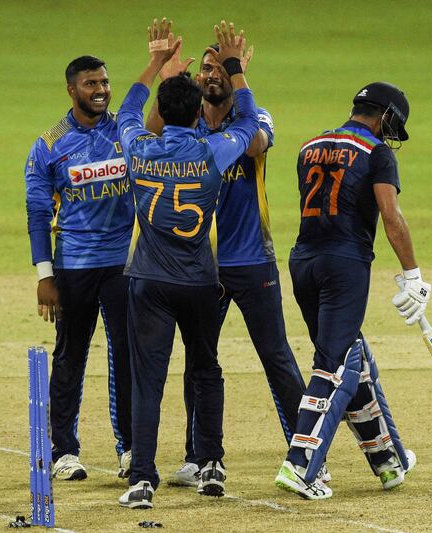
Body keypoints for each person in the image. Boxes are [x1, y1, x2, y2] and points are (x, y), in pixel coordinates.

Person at [149, 44, 316, 488]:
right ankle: (197, 456)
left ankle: (306, 454)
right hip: (202, 266)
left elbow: (258, 142)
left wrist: (238, 72)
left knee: (277, 358)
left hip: (253, 262)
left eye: (222, 69)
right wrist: (168, 77)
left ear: (237, 74)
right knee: (200, 362)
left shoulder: (254, 118)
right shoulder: (187, 124)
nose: (212, 75)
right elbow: (150, 131)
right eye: (206, 69)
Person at [116, 18, 259, 509]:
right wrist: (235, 67)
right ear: (198, 109)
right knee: (206, 369)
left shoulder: (139, 148)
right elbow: (248, 121)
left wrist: (156, 62)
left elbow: (128, 109)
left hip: (148, 281)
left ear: (161, 109)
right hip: (199, 280)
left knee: (148, 379)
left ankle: (141, 479)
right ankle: (211, 465)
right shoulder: (213, 151)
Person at [274, 82, 429, 499]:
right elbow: (390, 215)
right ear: (385, 116)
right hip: (345, 264)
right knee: (335, 363)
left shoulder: (310, 146)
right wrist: (412, 274)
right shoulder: (378, 154)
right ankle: (301, 464)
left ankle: (388, 461)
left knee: (351, 355)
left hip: (302, 261)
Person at [24, 55, 134, 481]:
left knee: (127, 355)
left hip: (124, 265)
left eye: (105, 81)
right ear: (71, 89)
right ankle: (64, 451)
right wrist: (44, 275)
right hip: (73, 266)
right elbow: (36, 214)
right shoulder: (50, 143)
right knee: (70, 356)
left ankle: (129, 448)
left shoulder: (125, 131)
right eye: (91, 83)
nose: (101, 90)